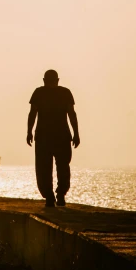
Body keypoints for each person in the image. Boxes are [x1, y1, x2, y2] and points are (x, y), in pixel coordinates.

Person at [27, 69, 80, 207]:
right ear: (57, 80)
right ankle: (60, 194)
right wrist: (76, 133)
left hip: (44, 137)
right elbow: (72, 114)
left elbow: (32, 113)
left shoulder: (39, 93)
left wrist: (29, 132)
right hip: (61, 136)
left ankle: (50, 196)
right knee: (63, 167)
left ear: (44, 80)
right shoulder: (65, 93)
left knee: (44, 168)